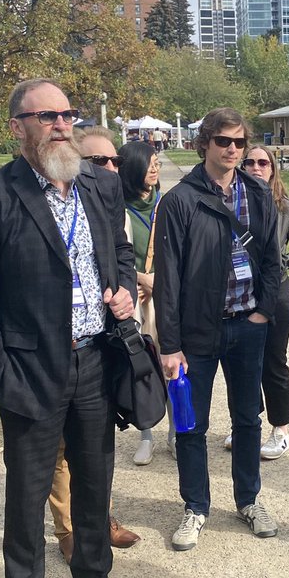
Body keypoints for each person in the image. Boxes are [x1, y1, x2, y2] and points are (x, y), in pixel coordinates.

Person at [0, 79, 148, 578]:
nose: (62, 125)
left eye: (68, 114)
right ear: (18, 128)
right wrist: (1, 371)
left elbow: (118, 251)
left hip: (95, 360)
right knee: (27, 497)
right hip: (31, 371)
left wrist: (121, 290)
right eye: (47, 116)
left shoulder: (101, 185)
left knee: (94, 484)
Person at [154, 108, 282, 553]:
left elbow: (271, 258)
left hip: (248, 327)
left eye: (240, 142)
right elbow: (168, 278)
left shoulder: (258, 194)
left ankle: (248, 499)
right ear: (204, 143)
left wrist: (264, 312)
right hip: (197, 335)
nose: (233, 149)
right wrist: (170, 345)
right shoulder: (179, 201)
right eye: (224, 141)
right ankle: (196, 505)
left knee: (248, 418)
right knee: (191, 424)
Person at [45, 128, 141, 564]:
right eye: (98, 161)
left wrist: (124, 290)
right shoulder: (50, 199)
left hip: (97, 343)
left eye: (113, 161)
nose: (108, 169)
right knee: (59, 453)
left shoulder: (105, 198)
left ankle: (100, 520)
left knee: (95, 449)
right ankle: (66, 529)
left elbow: (121, 256)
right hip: (49, 352)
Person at [240, 145, 289, 460]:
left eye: (263, 162)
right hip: (240, 293)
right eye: (251, 162)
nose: (257, 167)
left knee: (273, 362)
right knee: (243, 362)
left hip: (276, 294)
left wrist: (283, 261)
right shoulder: (231, 204)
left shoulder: (286, 208)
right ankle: (247, 423)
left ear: (272, 168)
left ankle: (281, 429)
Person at [115, 140, 168, 467]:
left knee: (175, 366)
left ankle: (178, 432)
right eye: (148, 163)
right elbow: (112, 255)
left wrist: (157, 280)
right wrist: (139, 279)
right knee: (143, 367)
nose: (155, 168)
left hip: (167, 297)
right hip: (136, 298)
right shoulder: (116, 207)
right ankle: (146, 434)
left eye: (157, 163)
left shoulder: (168, 203)